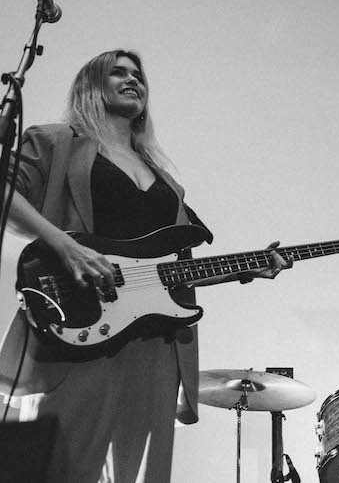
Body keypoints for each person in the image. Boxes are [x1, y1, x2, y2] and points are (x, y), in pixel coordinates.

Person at [0, 50, 288, 482]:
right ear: (91, 85)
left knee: (139, 474)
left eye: (138, 75)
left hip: (154, 343)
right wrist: (64, 245)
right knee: (59, 466)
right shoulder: (56, 141)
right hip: (79, 323)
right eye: (118, 72)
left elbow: (173, 267)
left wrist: (246, 268)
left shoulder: (166, 182)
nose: (133, 79)